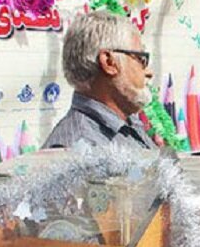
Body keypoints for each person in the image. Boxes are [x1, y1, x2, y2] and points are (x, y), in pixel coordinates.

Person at [43, 11, 157, 150]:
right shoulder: (79, 148)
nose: (149, 72)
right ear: (109, 62)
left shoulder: (127, 123)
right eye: (141, 59)